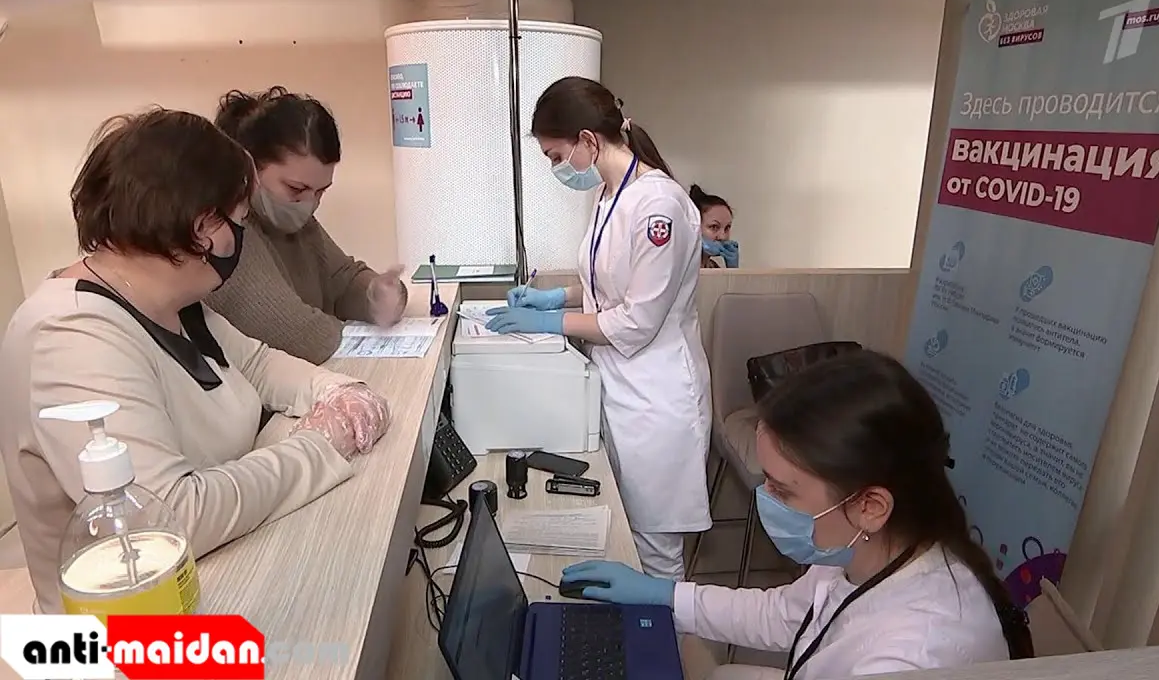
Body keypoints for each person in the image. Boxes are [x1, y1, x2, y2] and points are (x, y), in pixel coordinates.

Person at [0, 109, 393, 613]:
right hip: (123, 631)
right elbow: (170, 516)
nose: (239, 240)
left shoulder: (173, 300)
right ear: (203, 226)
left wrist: (337, 391)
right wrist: (318, 445)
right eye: (239, 222)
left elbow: (257, 364)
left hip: (221, 569)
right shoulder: (70, 335)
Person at [559, 351, 1035, 679]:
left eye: (783, 490)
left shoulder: (908, 656)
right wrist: (665, 596)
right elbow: (787, 614)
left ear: (870, 506)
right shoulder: (863, 547)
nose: (764, 498)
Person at [484, 77, 711, 580]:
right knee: (627, 531)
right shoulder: (610, 194)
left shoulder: (658, 206)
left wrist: (551, 322)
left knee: (656, 548)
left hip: (656, 399)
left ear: (588, 140)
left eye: (555, 155)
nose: (556, 167)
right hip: (619, 385)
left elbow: (637, 319)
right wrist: (558, 296)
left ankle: (663, 629)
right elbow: (611, 286)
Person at [205, 87, 406, 364]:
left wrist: (377, 295)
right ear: (249, 168)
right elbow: (296, 333)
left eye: (321, 191)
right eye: (296, 189)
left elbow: (343, 280)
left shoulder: (298, 223)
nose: (309, 204)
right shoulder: (227, 230)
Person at [691, 184, 739, 268]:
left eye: (727, 228)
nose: (723, 237)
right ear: (694, 227)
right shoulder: (679, 267)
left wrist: (732, 270)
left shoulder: (713, 267)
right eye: (714, 227)